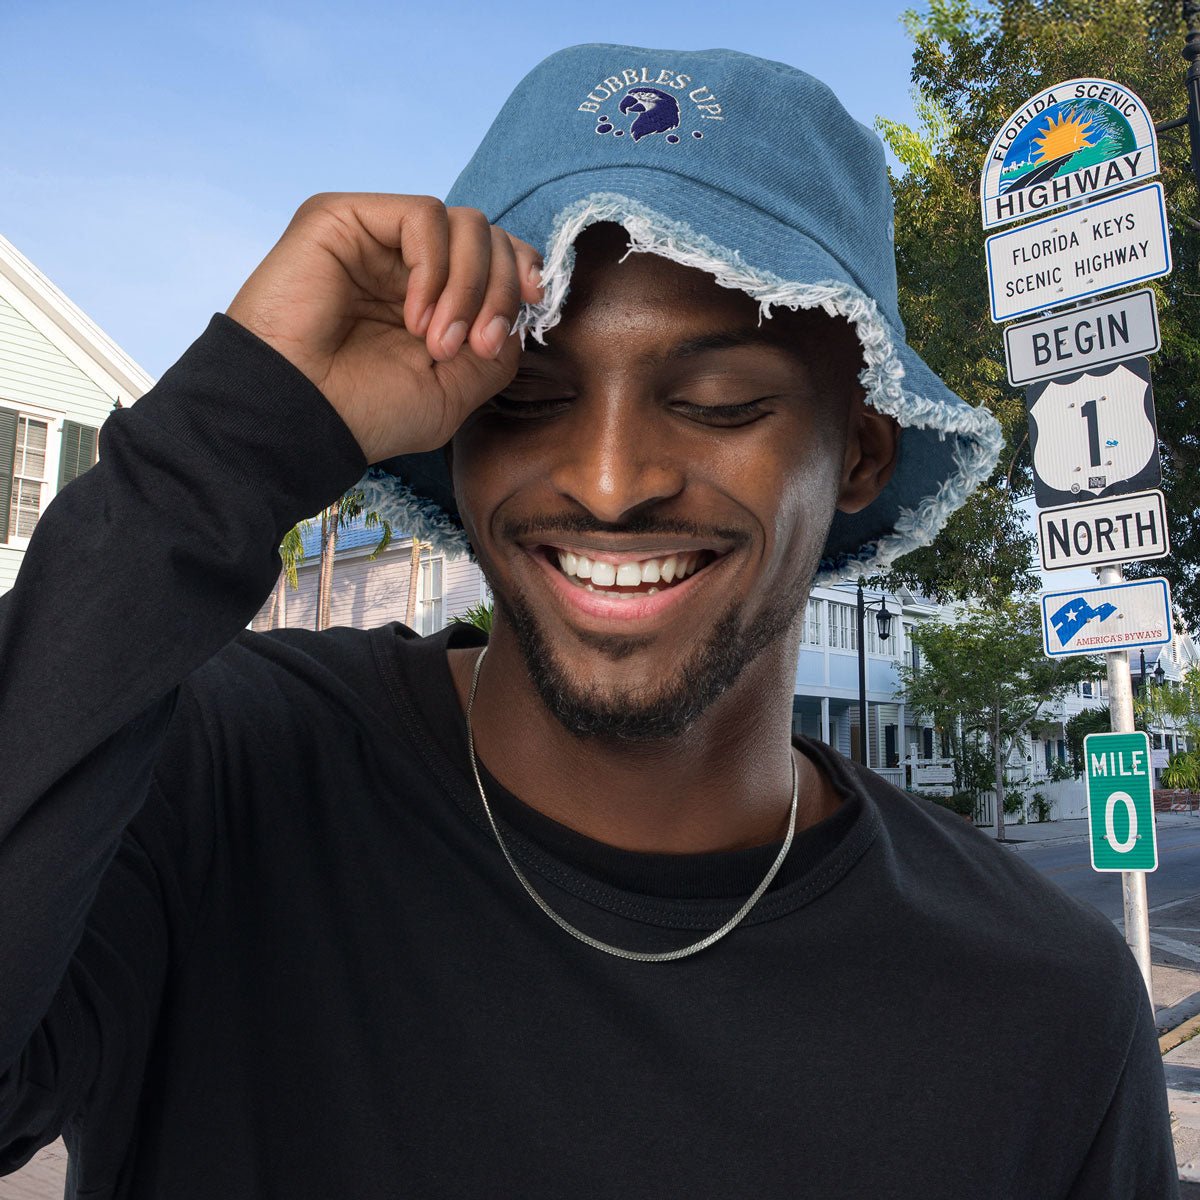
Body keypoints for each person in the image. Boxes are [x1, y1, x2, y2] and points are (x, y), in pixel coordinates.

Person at [0, 42, 1177, 1199]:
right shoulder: (211, 781)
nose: (610, 482)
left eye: (719, 403)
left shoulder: (1042, 1008)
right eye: (527, 399)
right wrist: (230, 434)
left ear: (860, 450)